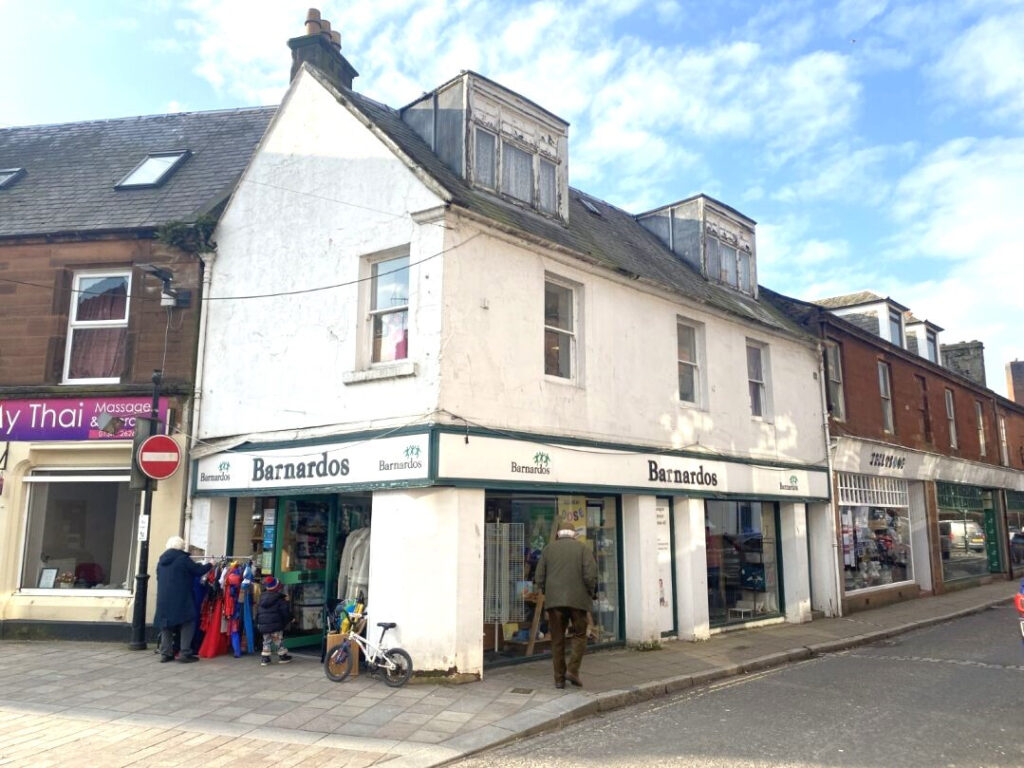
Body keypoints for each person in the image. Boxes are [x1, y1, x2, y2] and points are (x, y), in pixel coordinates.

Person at [534, 520, 597, 689]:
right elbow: (590, 575)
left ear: (558, 534)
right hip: (578, 600)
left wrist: (547, 592)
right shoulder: (583, 549)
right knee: (579, 634)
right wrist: (591, 592)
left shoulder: (548, 550)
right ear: (574, 534)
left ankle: (559, 679)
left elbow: (539, 577)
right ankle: (573, 670)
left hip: (555, 602)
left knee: (557, 639)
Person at [155, 536, 212, 663]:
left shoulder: (161, 560)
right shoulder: (183, 559)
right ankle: (185, 652)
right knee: (188, 621)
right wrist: (210, 564)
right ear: (181, 547)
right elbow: (198, 571)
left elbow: (158, 577)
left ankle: (166, 653)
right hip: (181, 597)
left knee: (166, 624)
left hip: (163, 597)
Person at [256, 576, 293, 666]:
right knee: (278, 640)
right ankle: (282, 656)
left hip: (264, 625)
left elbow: (258, 612)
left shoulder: (262, 598)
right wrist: (290, 618)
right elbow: (284, 612)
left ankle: (265, 658)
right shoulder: (280, 598)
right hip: (276, 625)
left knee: (266, 641)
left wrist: (258, 622)